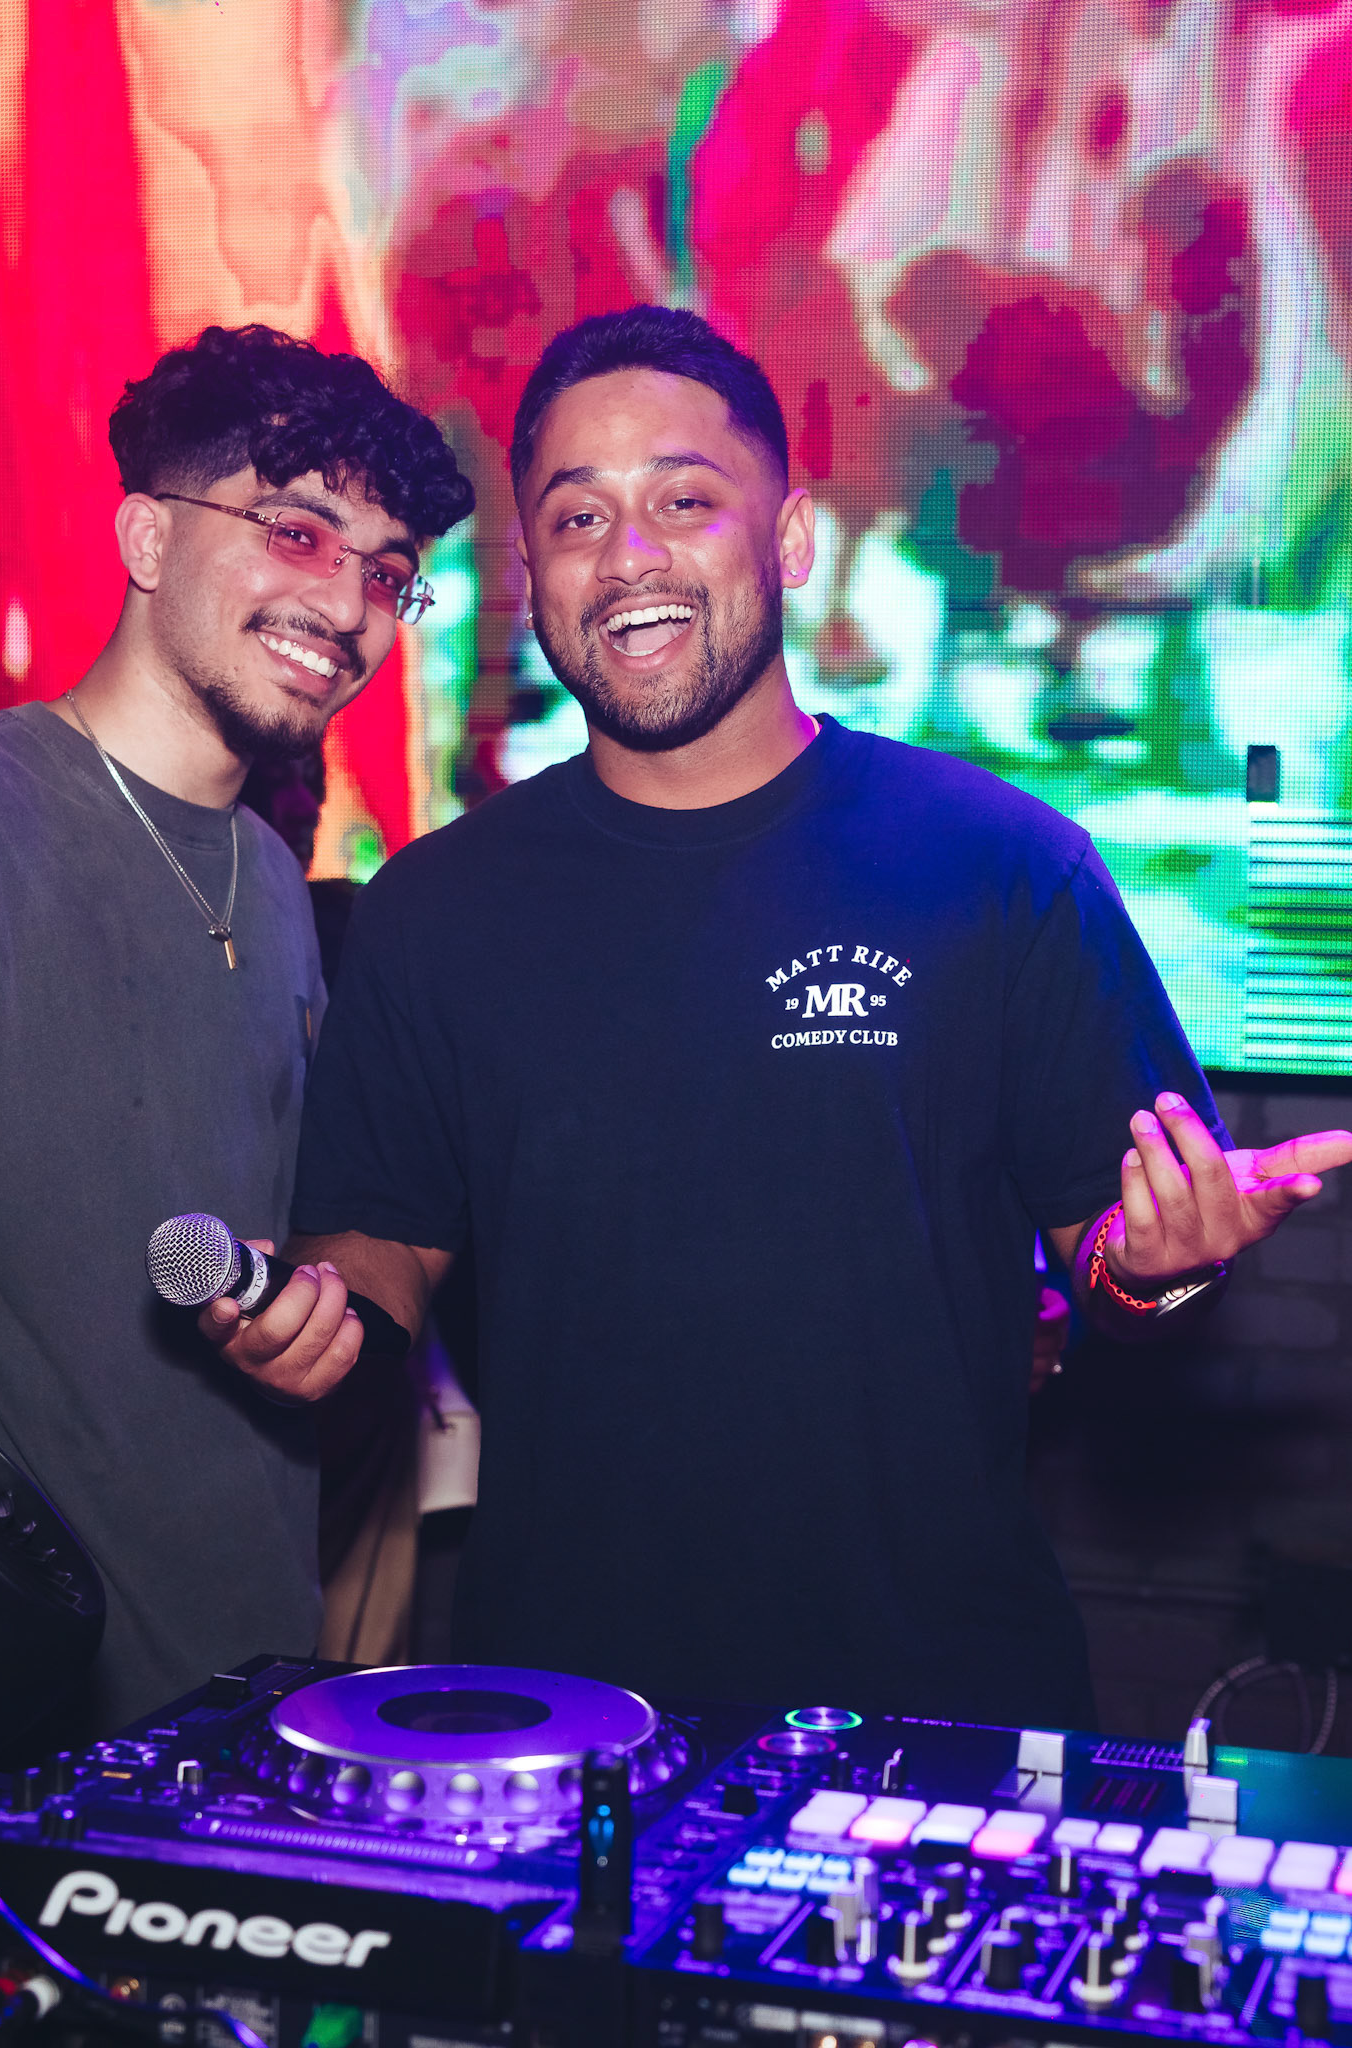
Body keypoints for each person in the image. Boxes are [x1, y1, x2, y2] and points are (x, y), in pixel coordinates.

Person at [202, 306, 1352, 1726]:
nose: (629, 555)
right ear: (533, 578)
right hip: (568, 1716)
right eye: (577, 518)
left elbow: (1114, 1271)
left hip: (935, 1706)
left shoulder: (1000, 866)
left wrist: (1160, 1271)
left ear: (791, 539)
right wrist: (317, 1319)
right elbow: (376, 1243)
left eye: (683, 501)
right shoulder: (436, 907)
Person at [0, 323, 473, 1733]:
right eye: (296, 532)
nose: (349, 604)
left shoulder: (272, 878)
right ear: (146, 537)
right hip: (7, 1722)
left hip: (247, 1699)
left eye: (385, 571)